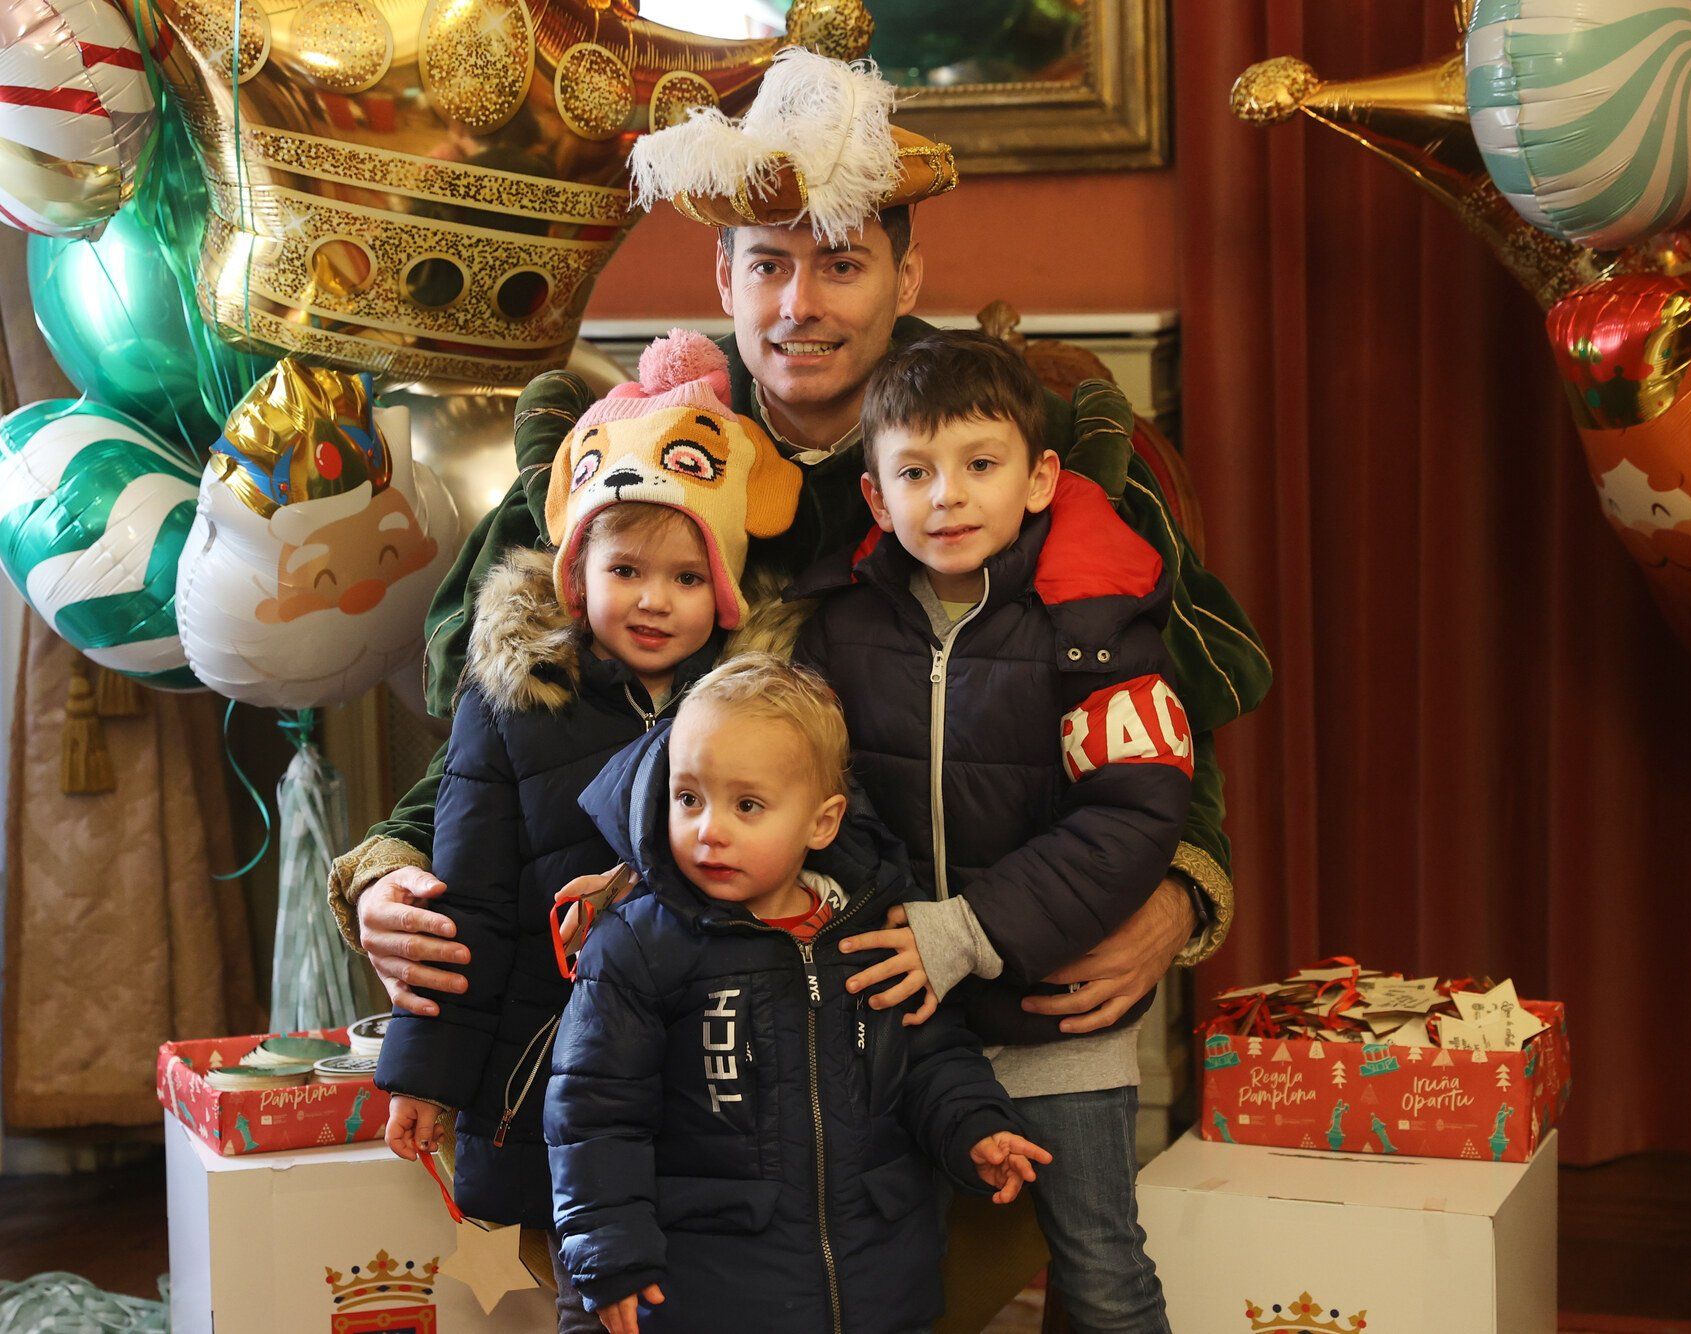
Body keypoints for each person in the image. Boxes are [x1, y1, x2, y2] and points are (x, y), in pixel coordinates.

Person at [329, 49, 1264, 1040]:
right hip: (693, 1004)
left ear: (906, 276)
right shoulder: (636, 449)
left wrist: (1177, 892)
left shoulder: (1011, 445)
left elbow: (1157, 705)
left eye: (841, 263)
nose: (798, 305)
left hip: (966, 982)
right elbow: (515, 703)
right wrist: (391, 864)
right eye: (769, 263)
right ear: (725, 272)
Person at [371, 331, 805, 1332]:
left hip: (719, 1080)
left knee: (719, 1292)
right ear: (577, 573)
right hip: (562, 1077)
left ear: (727, 594)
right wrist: (427, 1073)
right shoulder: (513, 703)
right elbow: (467, 899)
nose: (653, 599)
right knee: (596, 1294)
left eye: (688, 579)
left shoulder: (759, 705)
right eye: (626, 569)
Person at [795, 328, 1191, 1330]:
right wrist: (885, 926)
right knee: (901, 1269)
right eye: (915, 472)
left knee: (1097, 1262)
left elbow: (1130, 811)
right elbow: (819, 793)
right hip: (903, 1015)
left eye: (980, 465)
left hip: (1052, 1010)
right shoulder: (838, 626)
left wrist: (964, 931)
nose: (949, 496)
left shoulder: (1094, 625)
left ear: (1038, 477)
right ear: (877, 499)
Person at [545, 656, 1052, 1334]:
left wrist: (977, 1129)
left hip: (879, 1283)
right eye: (689, 798)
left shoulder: (875, 930)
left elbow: (932, 1057)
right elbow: (595, 1118)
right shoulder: (638, 947)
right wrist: (610, 1256)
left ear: (823, 822)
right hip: (713, 1294)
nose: (709, 829)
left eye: (746, 805)